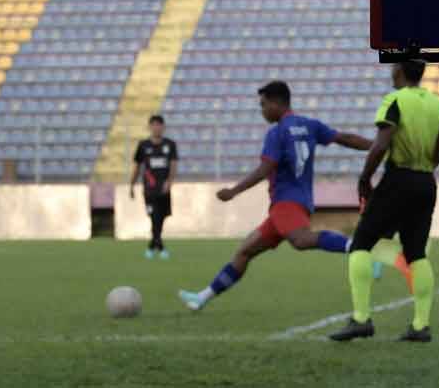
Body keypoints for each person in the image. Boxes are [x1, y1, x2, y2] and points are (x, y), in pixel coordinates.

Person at [178, 81, 372, 311]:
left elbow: (265, 169)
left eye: (263, 105)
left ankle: (359, 246)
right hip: (298, 203)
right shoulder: (310, 125)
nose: (262, 111)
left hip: (285, 203)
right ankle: (202, 298)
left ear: (276, 103)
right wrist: (378, 145)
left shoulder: (277, 132)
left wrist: (233, 191)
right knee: (245, 251)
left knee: (300, 240)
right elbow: (346, 139)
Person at [330, 60, 439, 343]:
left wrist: (364, 177)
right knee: (416, 252)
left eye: (393, 68)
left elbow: (381, 144)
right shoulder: (438, 105)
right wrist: (423, 167)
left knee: (360, 244)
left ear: (400, 71)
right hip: (426, 182)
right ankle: (421, 325)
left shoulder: (394, 100)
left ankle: (361, 318)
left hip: (398, 180)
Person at [129, 115, 178, 259]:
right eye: (154, 125)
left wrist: (169, 182)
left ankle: (152, 245)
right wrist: (131, 185)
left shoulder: (170, 144)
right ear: (150, 127)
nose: (156, 127)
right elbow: (137, 166)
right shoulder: (143, 145)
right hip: (149, 189)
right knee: (154, 217)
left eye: (159, 125)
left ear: (163, 127)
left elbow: (173, 165)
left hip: (164, 188)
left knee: (161, 217)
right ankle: (160, 248)